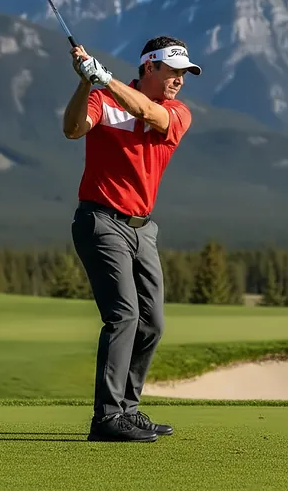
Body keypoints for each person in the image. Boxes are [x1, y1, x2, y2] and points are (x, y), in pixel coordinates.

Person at [62, 36, 201, 443]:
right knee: (123, 316)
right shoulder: (101, 100)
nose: (179, 80)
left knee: (153, 323)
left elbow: (148, 113)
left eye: (184, 74)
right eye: (173, 71)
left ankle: (128, 409)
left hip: (144, 229)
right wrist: (86, 83)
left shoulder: (176, 113)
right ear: (149, 68)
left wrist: (102, 78)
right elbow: (72, 130)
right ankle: (106, 418)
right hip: (101, 221)